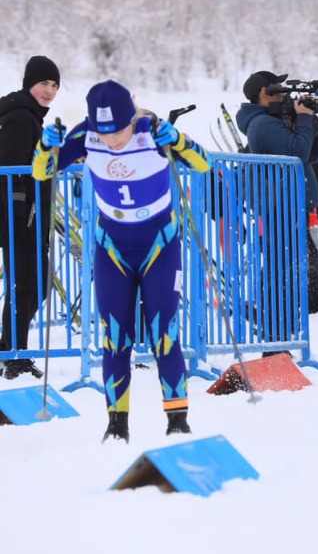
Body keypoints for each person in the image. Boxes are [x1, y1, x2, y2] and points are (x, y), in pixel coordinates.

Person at [34, 80, 211, 441]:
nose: (112, 140)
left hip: (159, 244)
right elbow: (41, 171)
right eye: (104, 132)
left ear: (133, 118)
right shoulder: (86, 135)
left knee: (165, 332)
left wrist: (178, 141)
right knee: (115, 337)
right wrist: (45, 146)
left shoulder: (152, 132)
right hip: (112, 245)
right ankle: (117, 426)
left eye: (119, 130)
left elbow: (203, 164)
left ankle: (177, 421)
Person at [236, 70, 318, 315]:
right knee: (279, 270)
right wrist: (303, 119)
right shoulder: (262, 124)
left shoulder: (273, 120)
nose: (284, 92)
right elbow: (298, 153)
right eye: (278, 87)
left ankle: (286, 328)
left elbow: (311, 156)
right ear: (264, 92)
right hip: (279, 207)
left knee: (289, 270)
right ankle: (275, 333)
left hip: (290, 205)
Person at [0, 56, 60, 379]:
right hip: (22, 220)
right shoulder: (23, 118)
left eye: (54, 85)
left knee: (31, 285)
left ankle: (8, 348)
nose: (49, 91)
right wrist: (20, 218)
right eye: (43, 84)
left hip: (28, 218)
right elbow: (11, 168)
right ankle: (15, 357)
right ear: (29, 84)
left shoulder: (30, 117)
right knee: (27, 286)